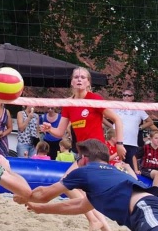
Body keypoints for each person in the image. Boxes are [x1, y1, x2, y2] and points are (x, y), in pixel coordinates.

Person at [14, 139, 158, 231]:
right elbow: (80, 205)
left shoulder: (85, 171)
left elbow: (43, 195)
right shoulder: (108, 176)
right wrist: (40, 209)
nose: (77, 161)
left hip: (146, 210)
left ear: (85, 158)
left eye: (78, 158)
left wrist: (24, 193)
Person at [39, 67, 126, 231]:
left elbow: (117, 119)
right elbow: (59, 133)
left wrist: (119, 144)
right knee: (77, 188)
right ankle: (101, 224)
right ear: (71, 81)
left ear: (88, 83)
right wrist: (48, 128)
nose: (79, 79)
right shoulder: (68, 104)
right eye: (76, 77)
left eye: (83, 77)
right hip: (83, 152)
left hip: (97, 150)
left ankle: (95, 220)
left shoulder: (94, 99)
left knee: (67, 183)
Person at [104, 88, 155, 170]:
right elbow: (102, 117)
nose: (126, 97)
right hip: (117, 142)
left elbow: (150, 122)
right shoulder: (116, 108)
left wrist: (140, 127)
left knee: (130, 167)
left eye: (129, 95)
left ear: (133, 97)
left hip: (132, 143)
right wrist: (111, 126)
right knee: (117, 166)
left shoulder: (139, 109)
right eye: (124, 95)